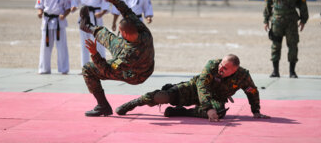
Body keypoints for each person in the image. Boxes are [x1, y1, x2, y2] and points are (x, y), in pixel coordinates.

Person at [115, 54, 270, 122]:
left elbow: (252, 91)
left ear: (234, 70)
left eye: (225, 69)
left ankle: (181, 112)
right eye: (221, 65)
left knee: (220, 113)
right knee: (162, 96)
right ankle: (134, 103)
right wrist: (208, 108)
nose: (220, 69)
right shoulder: (212, 64)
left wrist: (256, 111)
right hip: (194, 89)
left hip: (216, 98)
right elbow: (202, 85)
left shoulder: (243, 76)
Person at [81, 0, 155, 117]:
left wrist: (95, 53)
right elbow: (127, 11)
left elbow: (107, 70)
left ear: (125, 34)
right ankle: (88, 26)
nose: (119, 34)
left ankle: (102, 106)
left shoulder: (126, 55)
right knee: (110, 38)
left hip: (134, 75)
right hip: (146, 65)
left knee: (88, 68)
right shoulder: (144, 32)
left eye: (121, 33)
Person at [263, 0, 309, 78]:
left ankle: (292, 72)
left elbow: (302, 4)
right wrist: (265, 20)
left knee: (293, 46)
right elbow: (268, 3)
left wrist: (303, 19)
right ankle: (275, 71)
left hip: (291, 22)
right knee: (275, 46)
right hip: (277, 22)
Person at [71, 0, 110, 67]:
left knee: (98, 42)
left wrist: (102, 13)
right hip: (84, 16)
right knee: (85, 43)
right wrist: (74, 6)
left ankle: (101, 67)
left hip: (96, 16)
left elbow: (106, 3)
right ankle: (85, 67)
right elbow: (75, 0)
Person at [35, 0, 71, 74]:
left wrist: (64, 15)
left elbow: (68, 7)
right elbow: (39, 6)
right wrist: (39, 12)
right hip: (47, 21)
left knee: (62, 47)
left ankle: (63, 69)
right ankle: (44, 69)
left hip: (60, 22)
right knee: (45, 46)